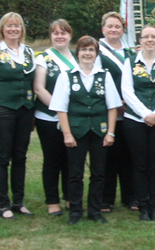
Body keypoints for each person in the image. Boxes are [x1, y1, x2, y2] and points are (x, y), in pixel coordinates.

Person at [50, 36, 120, 225]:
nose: (87, 54)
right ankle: (75, 211)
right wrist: (67, 134)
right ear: (77, 53)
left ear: (96, 54)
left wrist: (110, 133)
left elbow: (112, 106)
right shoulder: (66, 76)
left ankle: (95, 211)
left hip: (99, 131)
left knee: (99, 173)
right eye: (84, 50)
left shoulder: (104, 75)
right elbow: (61, 108)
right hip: (76, 132)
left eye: (91, 50)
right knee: (75, 173)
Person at [0, 12, 37, 219]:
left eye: (17, 26)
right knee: (3, 158)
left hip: (25, 110)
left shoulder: (29, 52)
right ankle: (3, 204)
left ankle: (19, 202)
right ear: (2, 29)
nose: (13, 29)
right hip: (3, 109)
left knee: (20, 157)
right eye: (9, 26)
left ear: (22, 29)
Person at [121, 25, 155, 221]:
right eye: (146, 37)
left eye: (154, 37)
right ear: (140, 40)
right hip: (135, 120)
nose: (150, 40)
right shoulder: (129, 63)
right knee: (139, 165)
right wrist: (145, 114)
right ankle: (143, 207)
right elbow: (127, 91)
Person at [33, 19, 77, 216]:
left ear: (70, 35)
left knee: (71, 159)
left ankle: (70, 197)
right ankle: (52, 201)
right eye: (56, 33)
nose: (60, 36)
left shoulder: (78, 57)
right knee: (52, 160)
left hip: (74, 118)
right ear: (51, 36)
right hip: (48, 117)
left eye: (64, 32)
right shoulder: (44, 58)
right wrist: (60, 110)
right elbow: (38, 88)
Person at [97, 12, 137, 212]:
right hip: (107, 111)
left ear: (123, 30)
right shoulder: (96, 51)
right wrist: (113, 102)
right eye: (109, 26)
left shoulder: (131, 53)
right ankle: (106, 198)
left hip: (130, 112)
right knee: (108, 157)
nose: (113, 30)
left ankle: (131, 197)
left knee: (129, 156)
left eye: (117, 27)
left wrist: (128, 101)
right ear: (103, 29)